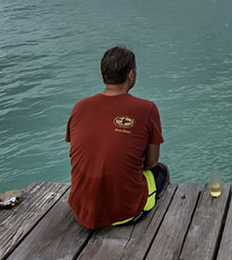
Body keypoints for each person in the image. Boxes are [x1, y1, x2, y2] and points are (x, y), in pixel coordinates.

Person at [65, 46, 168, 229]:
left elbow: (82, 152)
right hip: (124, 213)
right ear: (130, 74)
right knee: (161, 171)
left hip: (81, 210)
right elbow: (152, 162)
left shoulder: (79, 107)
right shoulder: (147, 108)